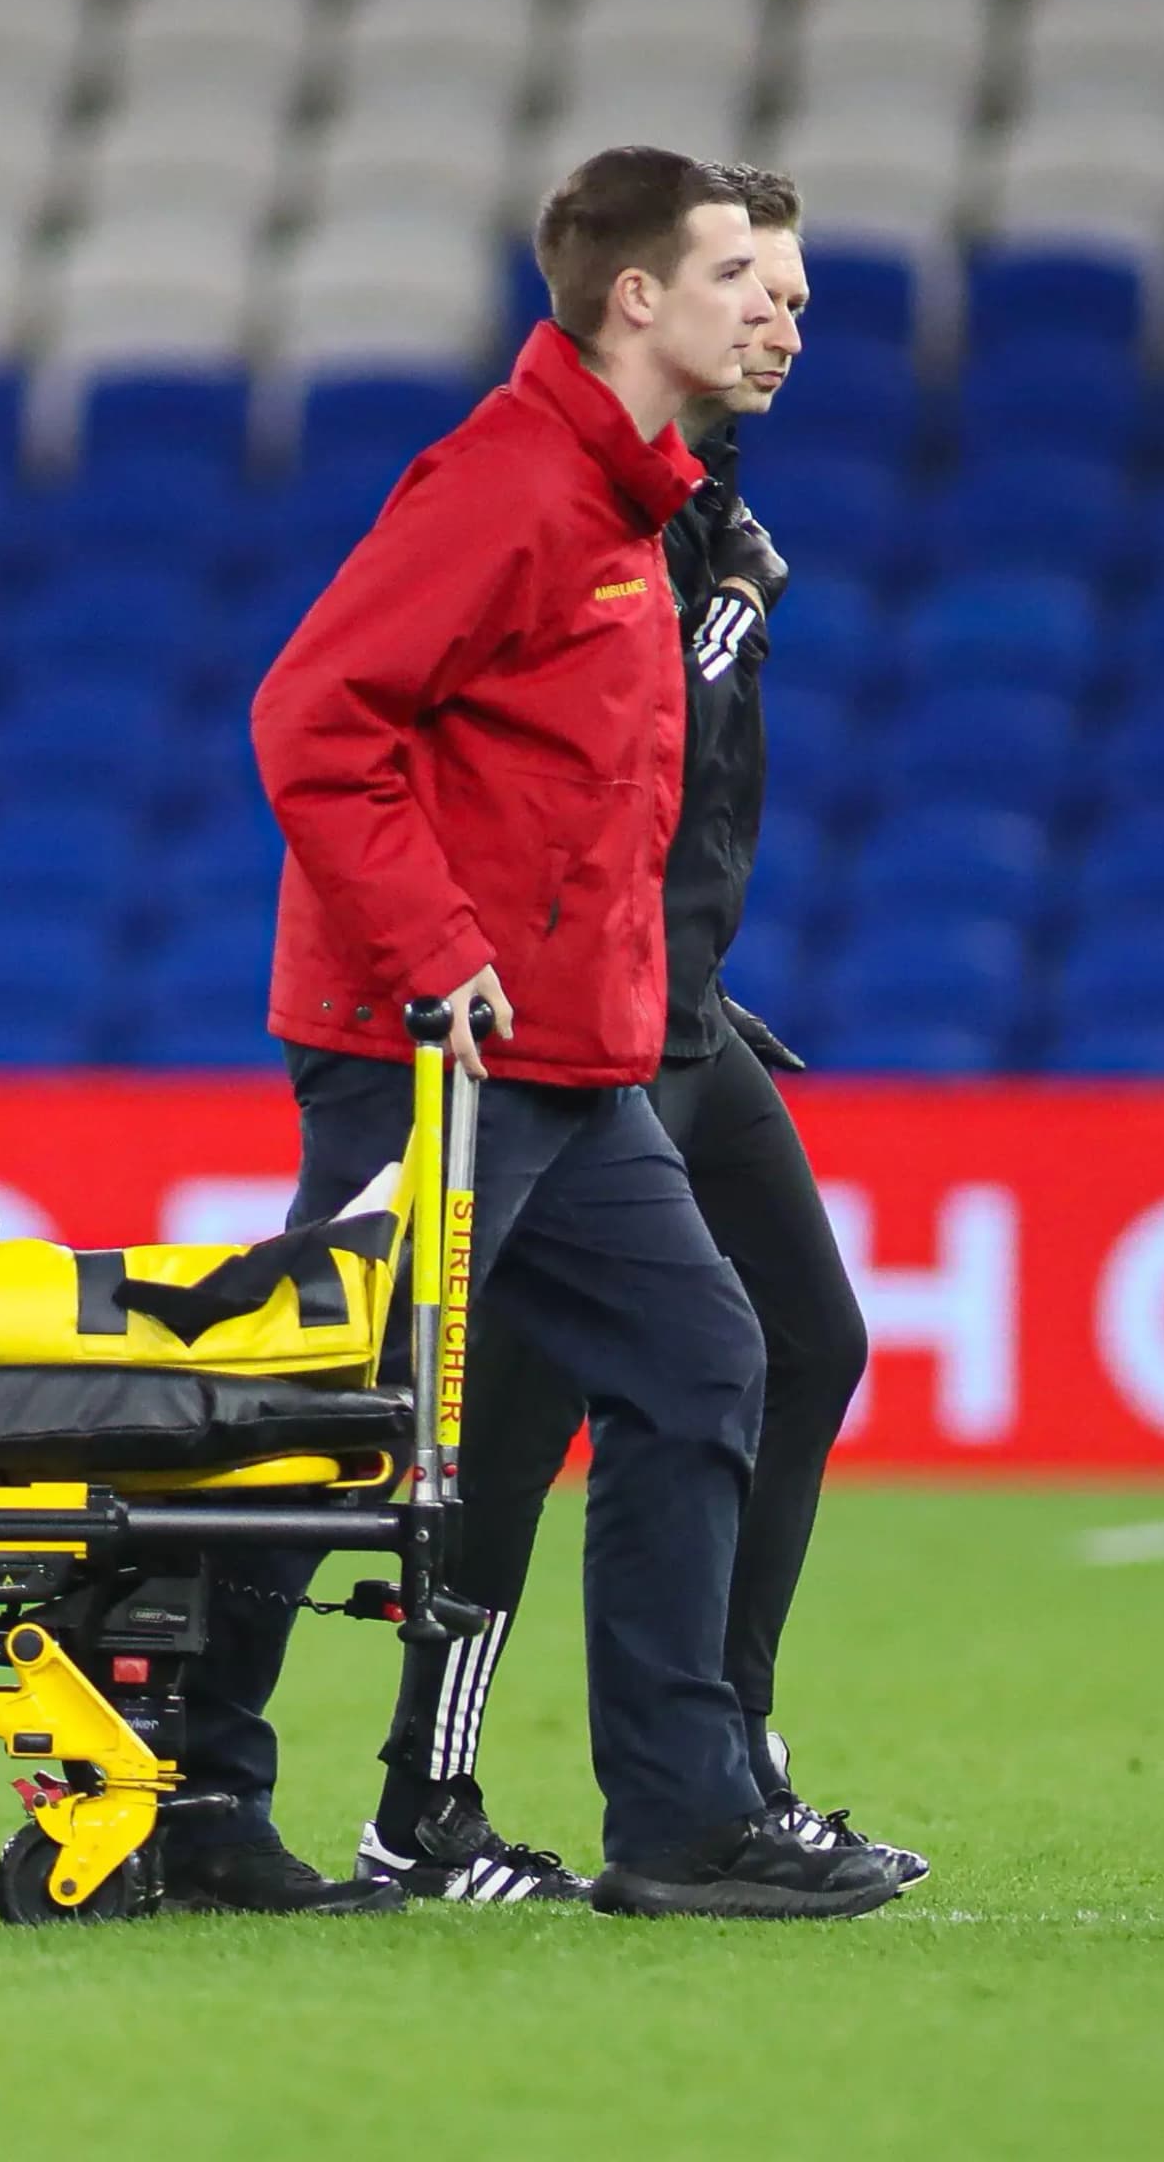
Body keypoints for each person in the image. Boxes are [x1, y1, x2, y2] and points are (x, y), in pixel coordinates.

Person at [188, 145, 903, 1920]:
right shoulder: (508, 488)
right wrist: (437, 955)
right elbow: (309, 717)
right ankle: (193, 1798)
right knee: (334, 1408)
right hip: (435, 1048)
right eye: (744, 273)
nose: (777, 305)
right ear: (639, 297)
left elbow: (603, 818)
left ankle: (685, 1817)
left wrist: (667, 1005)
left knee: (709, 1362)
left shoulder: (632, 512)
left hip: (571, 1063)